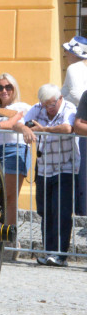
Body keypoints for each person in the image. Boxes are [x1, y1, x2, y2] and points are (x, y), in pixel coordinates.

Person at [24, 84, 78, 266]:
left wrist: (44, 130)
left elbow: (68, 128)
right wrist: (26, 129)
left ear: (60, 98)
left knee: (61, 212)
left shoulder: (69, 108)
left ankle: (60, 255)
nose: (48, 108)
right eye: (45, 104)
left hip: (66, 167)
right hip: (44, 168)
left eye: (52, 104)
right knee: (45, 211)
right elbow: (23, 121)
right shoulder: (37, 107)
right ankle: (48, 252)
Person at [0, 73, 34, 227]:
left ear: (14, 88)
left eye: (8, 87)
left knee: (9, 197)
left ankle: (10, 237)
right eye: (0, 87)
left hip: (14, 149)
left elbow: (13, 122)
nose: (4, 90)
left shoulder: (21, 106)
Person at [60, 36, 87, 216]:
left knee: (77, 168)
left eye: (68, 51)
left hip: (75, 122)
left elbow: (78, 95)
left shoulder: (74, 68)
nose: (64, 54)